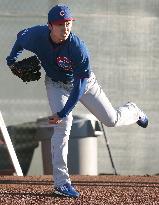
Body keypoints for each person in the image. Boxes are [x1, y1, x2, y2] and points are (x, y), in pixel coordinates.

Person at [6, 4, 148, 198]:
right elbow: (20, 38)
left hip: (85, 85)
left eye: (68, 23)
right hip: (56, 84)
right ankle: (61, 183)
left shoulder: (77, 47)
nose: (65, 28)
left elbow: (80, 87)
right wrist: (11, 60)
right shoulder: (36, 36)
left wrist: (63, 112)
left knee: (111, 120)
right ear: (50, 26)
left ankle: (134, 110)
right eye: (60, 24)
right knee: (63, 126)